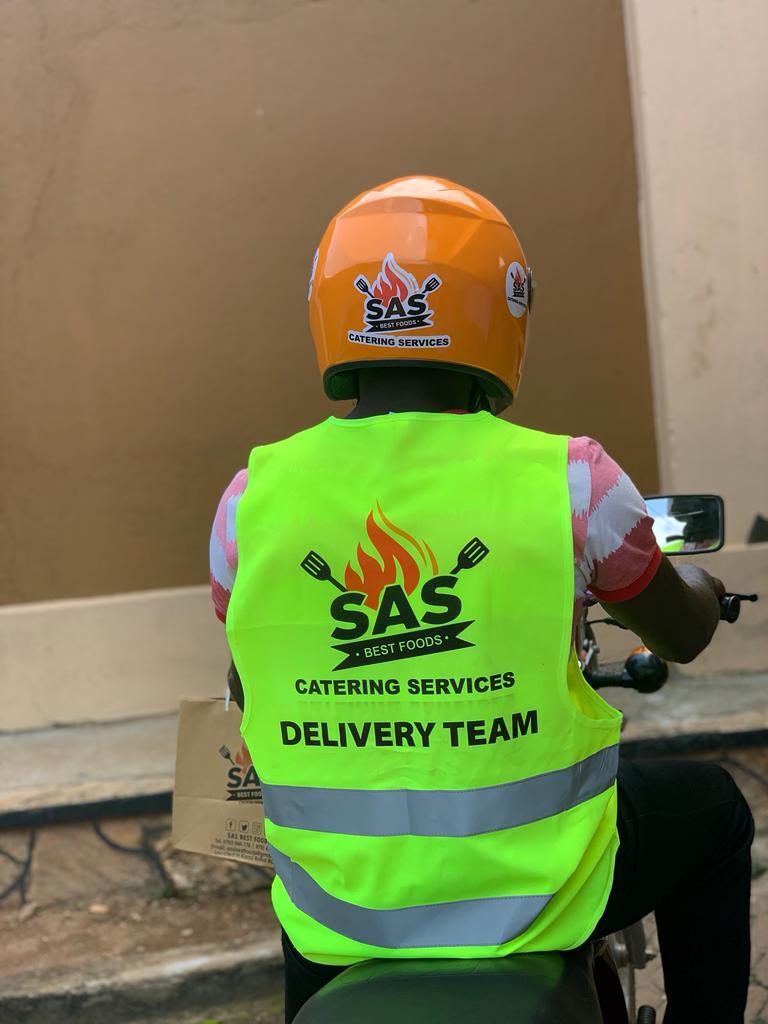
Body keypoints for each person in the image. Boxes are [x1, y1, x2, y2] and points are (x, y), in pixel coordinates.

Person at [209, 177, 753, 1023]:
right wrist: (705, 590)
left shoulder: (250, 500)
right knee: (714, 810)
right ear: (503, 308)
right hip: (541, 893)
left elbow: (250, 679)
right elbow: (680, 634)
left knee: (312, 918)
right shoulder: (571, 480)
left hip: (344, 910)